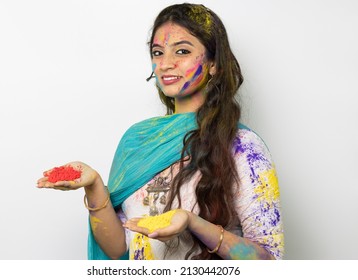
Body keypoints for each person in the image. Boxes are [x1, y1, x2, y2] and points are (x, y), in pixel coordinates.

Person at [37, 3, 284, 260]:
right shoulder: (138, 140)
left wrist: (192, 222)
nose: (165, 64)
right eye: (157, 52)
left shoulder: (242, 146)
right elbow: (118, 249)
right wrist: (94, 185)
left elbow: (269, 259)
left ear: (214, 64)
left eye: (182, 51)